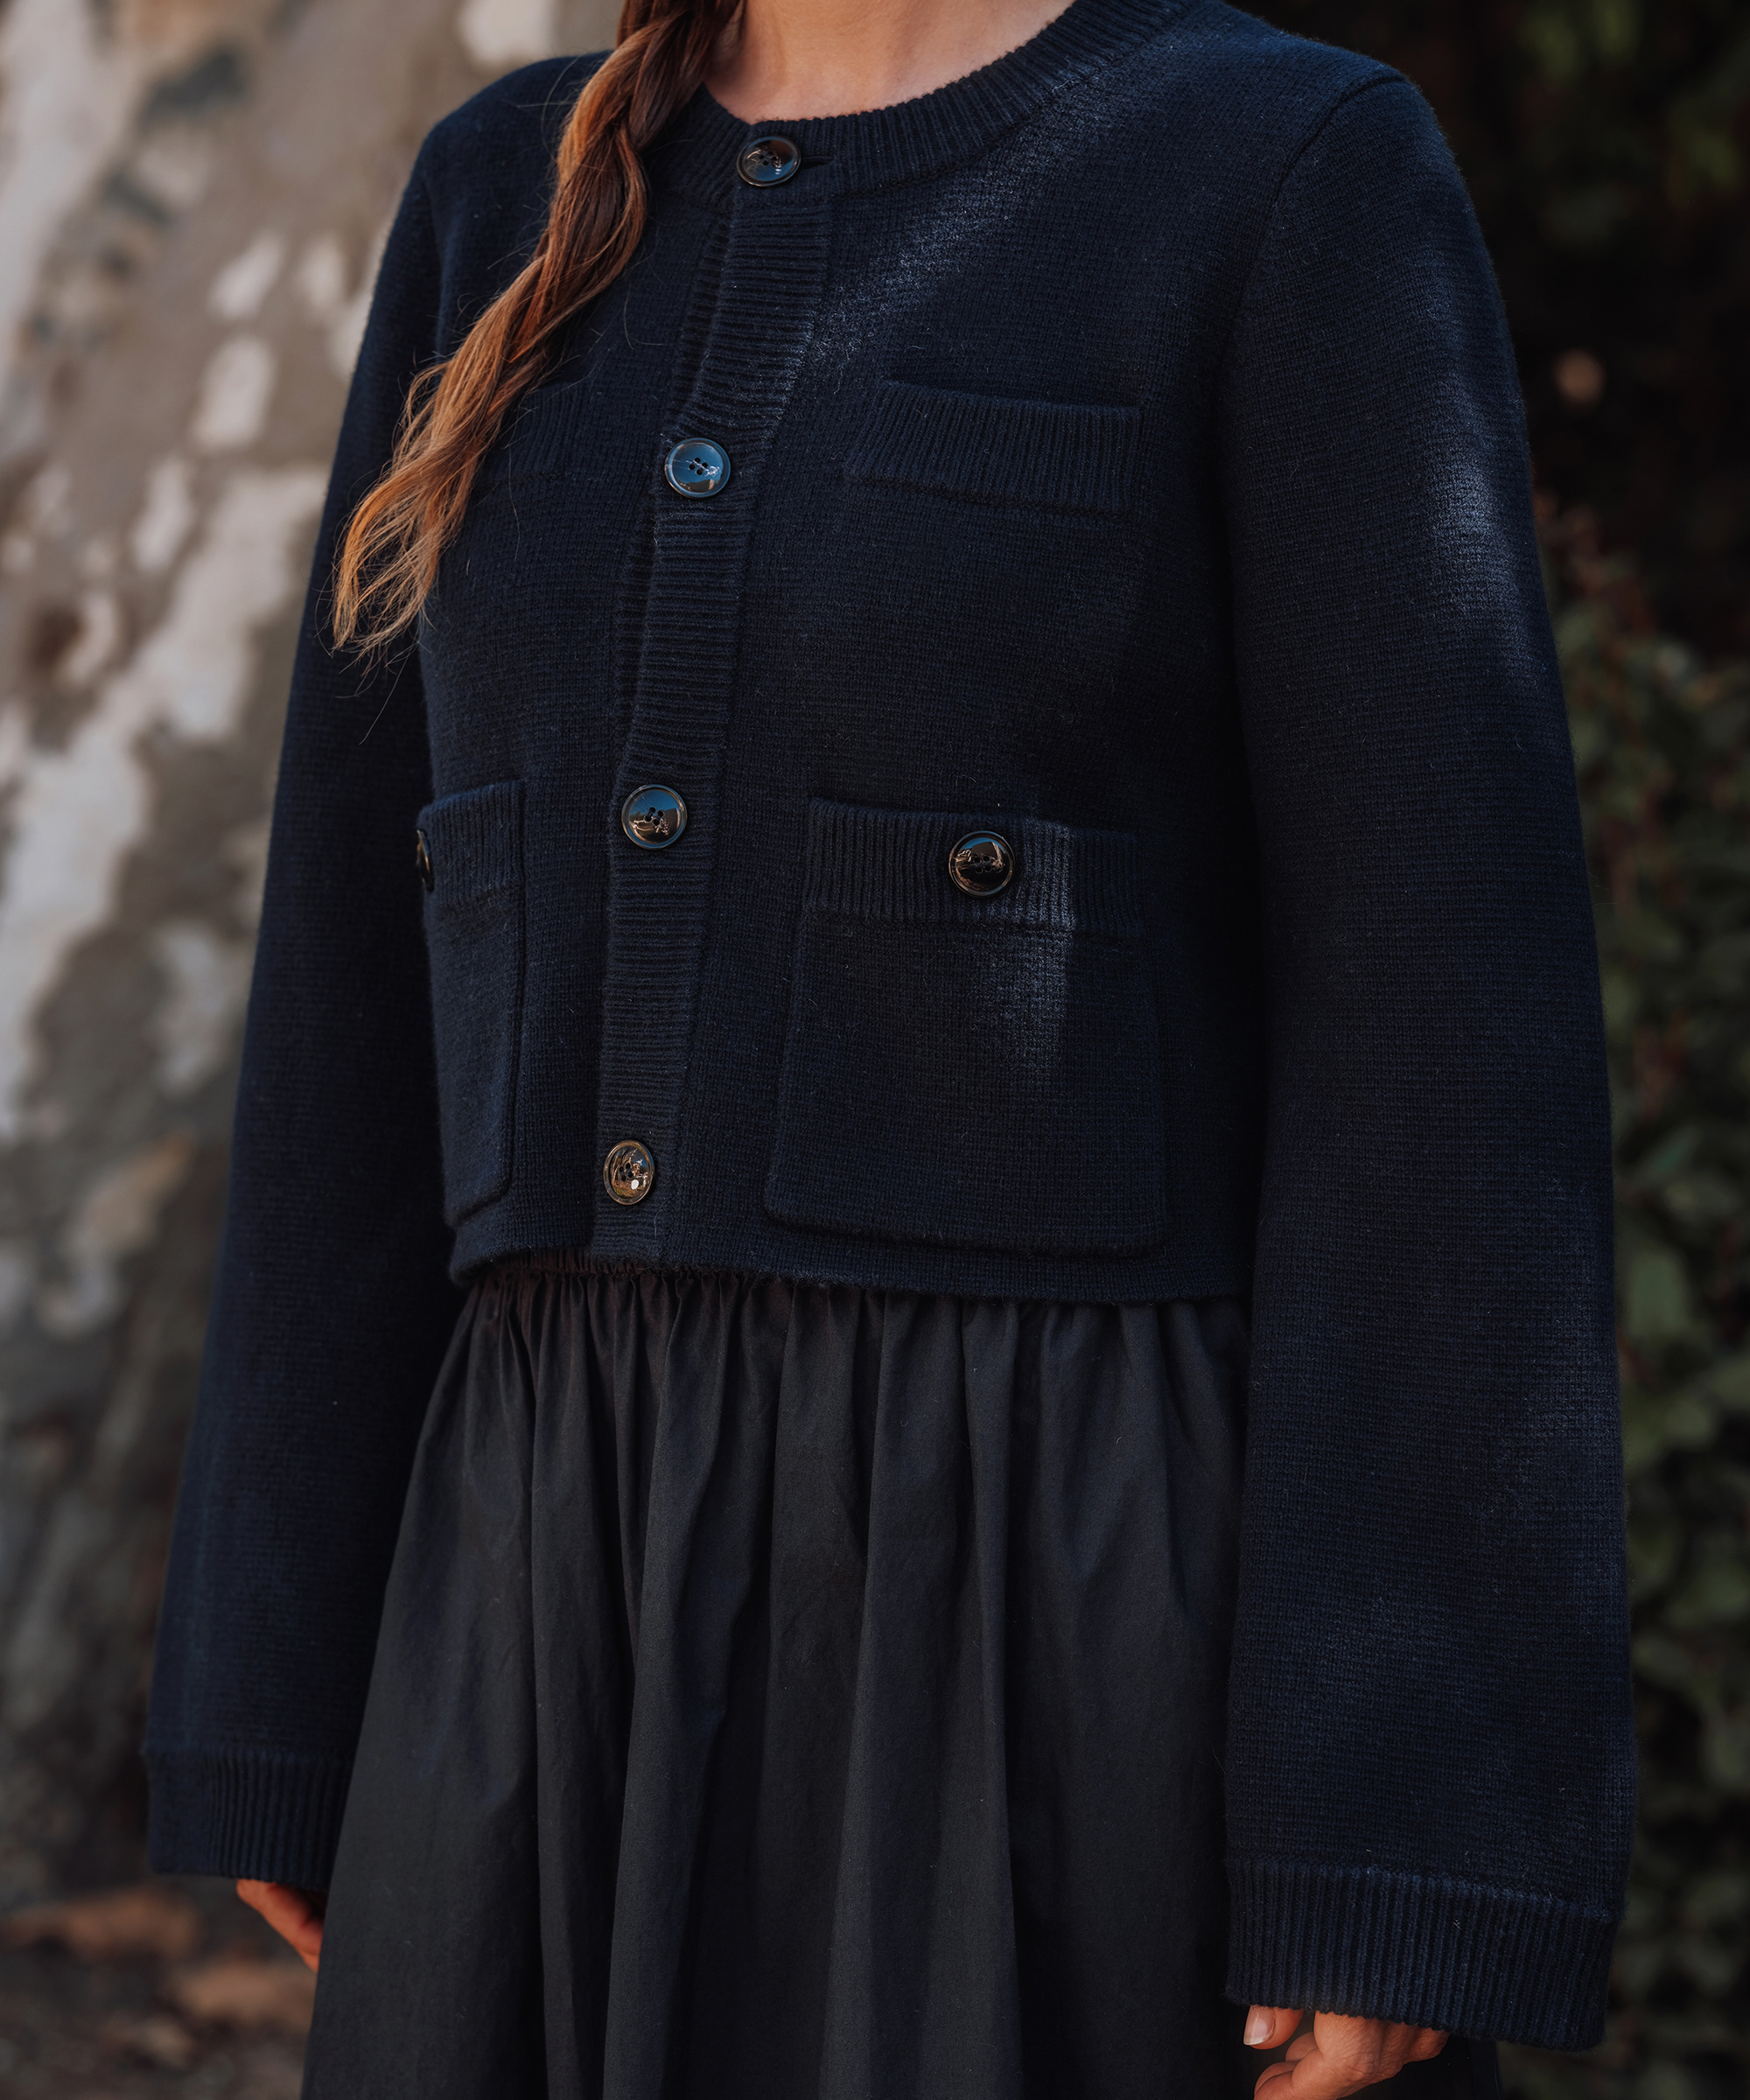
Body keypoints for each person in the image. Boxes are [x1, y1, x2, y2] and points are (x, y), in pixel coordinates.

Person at [143, 0, 1635, 2090]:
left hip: (1048, 1612)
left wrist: (1398, 1816)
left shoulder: (1282, 171)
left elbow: (1441, 1037)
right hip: (540, 1592)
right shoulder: (500, 193)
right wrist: (278, 1682)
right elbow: (350, 973)